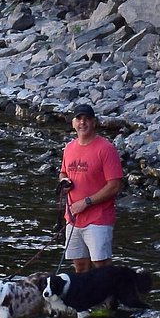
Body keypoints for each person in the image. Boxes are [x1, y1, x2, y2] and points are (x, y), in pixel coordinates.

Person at [59, 103, 123, 271]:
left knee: (101, 266)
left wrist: (86, 202)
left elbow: (115, 186)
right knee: (79, 266)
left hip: (99, 219)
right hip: (73, 219)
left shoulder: (106, 149)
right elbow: (63, 173)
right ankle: (85, 298)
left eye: (87, 119)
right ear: (73, 123)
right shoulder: (69, 148)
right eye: (79, 119)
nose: (82, 123)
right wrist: (63, 182)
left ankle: (110, 298)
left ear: (94, 123)